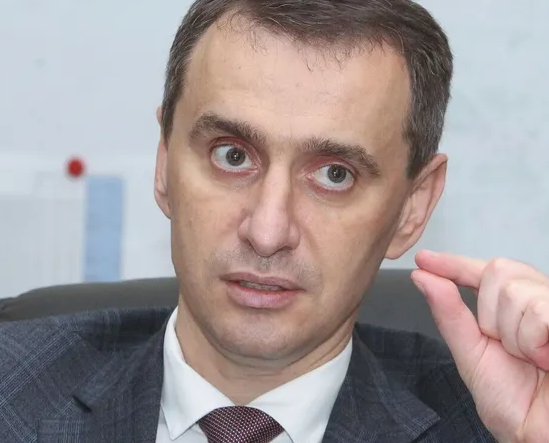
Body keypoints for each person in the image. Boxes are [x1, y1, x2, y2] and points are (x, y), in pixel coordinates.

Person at [1, 0, 548, 442]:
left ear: (413, 207)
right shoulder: (12, 390)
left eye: (335, 174)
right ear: (164, 164)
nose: (267, 233)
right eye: (232, 155)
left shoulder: (489, 425)